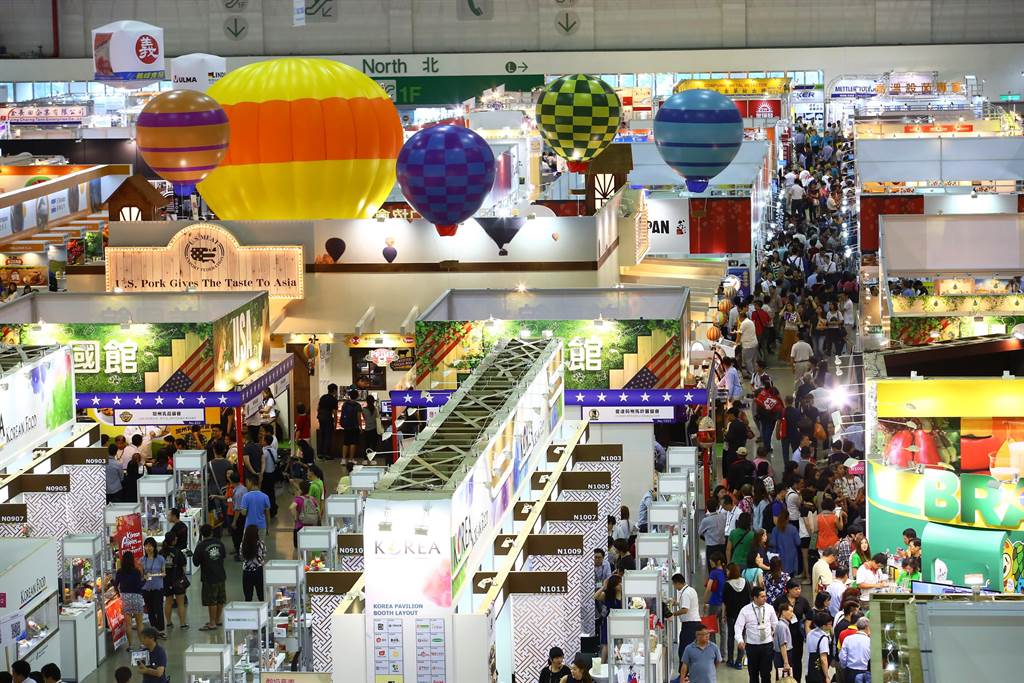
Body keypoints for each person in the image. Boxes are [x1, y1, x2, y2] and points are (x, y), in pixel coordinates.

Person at [733, 586, 777, 683]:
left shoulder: (770, 608)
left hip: (767, 645)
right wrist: (740, 640)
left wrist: (774, 636)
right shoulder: (745, 610)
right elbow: (738, 626)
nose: (765, 598)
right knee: (753, 674)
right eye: (762, 596)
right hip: (752, 646)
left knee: (766, 674)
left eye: (765, 596)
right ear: (755, 598)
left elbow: (775, 624)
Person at [193, 524, 227, 631]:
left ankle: (212, 623)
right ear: (211, 532)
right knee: (220, 599)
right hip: (221, 575)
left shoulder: (201, 546)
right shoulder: (219, 543)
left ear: (202, 534)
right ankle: (217, 619)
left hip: (209, 577)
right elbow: (223, 555)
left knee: (212, 601)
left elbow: (195, 563)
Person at [113, 550, 145, 648]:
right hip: (137, 597)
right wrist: (145, 579)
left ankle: (130, 646)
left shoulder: (120, 571)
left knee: (128, 625)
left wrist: (118, 593)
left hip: (125, 598)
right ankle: (142, 644)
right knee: (139, 624)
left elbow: (115, 585)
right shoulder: (136, 571)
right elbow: (140, 585)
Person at [722, 563, 750, 669]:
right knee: (741, 637)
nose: (726, 573)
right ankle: (739, 661)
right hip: (744, 615)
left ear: (731, 571)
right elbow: (749, 599)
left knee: (731, 636)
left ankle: (730, 660)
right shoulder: (745, 582)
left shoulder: (727, 584)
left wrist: (724, 615)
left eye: (727, 571)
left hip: (731, 615)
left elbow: (724, 602)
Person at [671, 573, 702, 660]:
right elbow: (688, 604)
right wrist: (677, 603)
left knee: (684, 649)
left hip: (690, 625)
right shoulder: (690, 590)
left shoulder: (686, 593)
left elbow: (685, 610)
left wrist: (672, 614)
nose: (674, 587)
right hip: (694, 623)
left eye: (674, 584)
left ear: (677, 583)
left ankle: (684, 668)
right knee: (689, 648)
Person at [140, 537, 167, 637]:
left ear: (154, 547)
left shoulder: (160, 559)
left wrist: (161, 574)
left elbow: (164, 572)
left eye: (150, 546)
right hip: (146, 588)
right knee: (150, 609)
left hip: (158, 587)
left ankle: (161, 629)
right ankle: (153, 629)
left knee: (158, 608)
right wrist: (144, 576)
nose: (148, 548)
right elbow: (141, 575)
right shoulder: (142, 560)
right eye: (146, 546)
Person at [161, 533, 188, 629]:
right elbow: (184, 567)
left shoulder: (161, 552)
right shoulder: (178, 552)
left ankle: (168, 623)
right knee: (180, 603)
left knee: (168, 602)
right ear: (173, 541)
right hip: (178, 580)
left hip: (166, 580)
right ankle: (182, 624)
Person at [838, 617, 870, 683]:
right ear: (867, 627)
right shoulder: (869, 641)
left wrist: (845, 667)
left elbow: (842, 657)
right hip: (865, 672)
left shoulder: (848, 639)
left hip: (850, 672)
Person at [769, 510, 800, 576]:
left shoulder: (775, 529)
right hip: (792, 558)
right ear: (788, 518)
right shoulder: (793, 528)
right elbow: (798, 542)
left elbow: (773, 543)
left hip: (780, 559)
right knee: (791, 577)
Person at [699, 498, 728, 570]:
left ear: (707, 507)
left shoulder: (706, 520)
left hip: (711, 547)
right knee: (722, 566)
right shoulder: (723, 517)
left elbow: (700, 532)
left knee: (712, 568)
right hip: (722, 545)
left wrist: (706, 536)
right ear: (717, 507)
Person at [291, 480, 321, 548]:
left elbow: (291, 507)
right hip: (311, 526)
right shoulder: (312, 499)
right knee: (310, 546)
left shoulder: (298, 499)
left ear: (301, 490)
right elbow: (318, 510)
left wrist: (295, 517)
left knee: (299, 547)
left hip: (300, 526)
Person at [704, 552, 726, 643]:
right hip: (723, 603)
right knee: (723, 629)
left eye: (712, 561)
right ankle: (723, 650)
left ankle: (713, 648)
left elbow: (708, 588)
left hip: (714, 602)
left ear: (718, 561)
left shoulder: (714, 573)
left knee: (711, 627)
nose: (711, 563)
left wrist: (705, 601)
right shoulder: (725, 572)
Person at [241, 524, 267, 601]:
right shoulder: (261, 544)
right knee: (261, 596)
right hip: (259, 571)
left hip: (247, 572)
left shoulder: (243, 544)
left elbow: (242, 557)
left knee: (248, 597)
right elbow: (264, 555)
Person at [806, 612, 834, 683]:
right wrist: (827, 676)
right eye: (830, 624)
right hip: (819, 671)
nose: (831, 626)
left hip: (809, 668)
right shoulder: (823, 638)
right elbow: (823, 659)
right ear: (824, 626)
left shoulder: (810, 633)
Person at [772, 600, 794, 681]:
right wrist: (786, 662)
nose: (792, 614)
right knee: (784, 680)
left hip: (783, 655)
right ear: (783, 612)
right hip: (783, 656)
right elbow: (783, 645)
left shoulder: (783, 624)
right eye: (790, 611)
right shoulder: (782, 626)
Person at [259, 432, 279, 517]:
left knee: (265, 493)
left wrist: (260, 475)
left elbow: (262, 463)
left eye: (262, 439)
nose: (261, 441)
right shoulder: (273, 450)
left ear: (265, 441)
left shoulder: (264, 452)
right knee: (271, 492)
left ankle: (267, 511)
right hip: (273, 474)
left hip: (266, 475)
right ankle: (273, 509)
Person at [340, 389, 362, 463]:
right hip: (354, 426)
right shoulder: (358, 405)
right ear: (357, 396)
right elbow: (359, 417)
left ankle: (343, 459)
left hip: (346, 426)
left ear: (350, 396)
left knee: (345, 442)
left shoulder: (345, 404)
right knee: (353, 443)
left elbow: (342, 414)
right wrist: (360, 427)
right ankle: (351, 459)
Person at [317, 383, 339, 458]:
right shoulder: (334, 400)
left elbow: (318, 408)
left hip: (321, 418)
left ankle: (320, 453)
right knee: (328, 436)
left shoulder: (323, 397)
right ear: (334, 390)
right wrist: (335, 424)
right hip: (328, 419)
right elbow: (335, 413)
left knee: (322, 435)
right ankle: (327, 454)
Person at [738, 310, 759, 377]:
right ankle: (755, 374)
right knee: (753, 361)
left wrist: (737, 342)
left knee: (748, 361)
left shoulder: (744, 323)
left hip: (748, 345)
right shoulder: (750, 321)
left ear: (741, 317)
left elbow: (739, 334)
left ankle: (752, 375)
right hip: (754, 343)